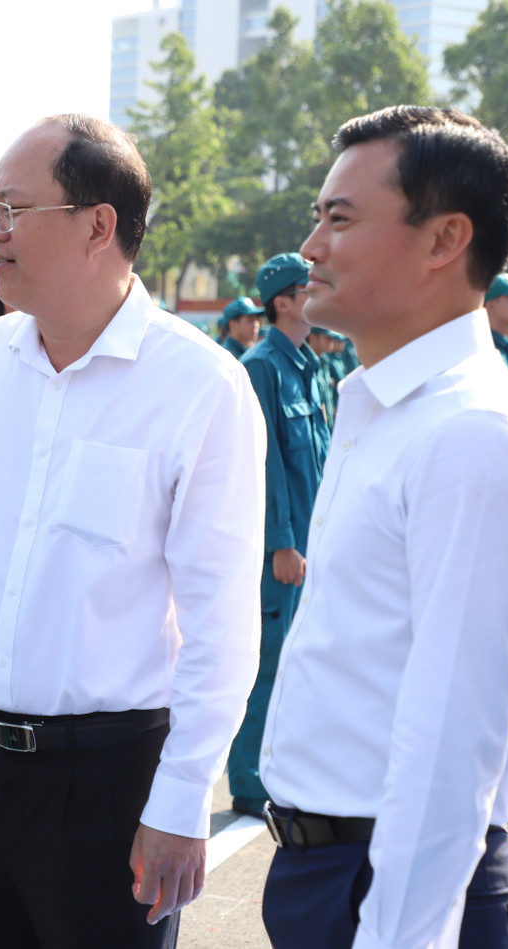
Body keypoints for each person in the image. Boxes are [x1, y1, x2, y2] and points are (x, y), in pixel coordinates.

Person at [0, 113, 264, 947]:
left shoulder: (200, 386)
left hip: (111, 783)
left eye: (12, 210)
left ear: (98, 225)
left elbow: (222, 622)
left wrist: (182, 797)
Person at [259, 105, 508, 949]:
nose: (311, 247)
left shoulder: (471, 437)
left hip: (400, 892)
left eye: (339, 218)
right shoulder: (385, 406)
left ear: (443, 240)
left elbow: (448, 748)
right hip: (333, 871)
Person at [225, 252, 329, 819]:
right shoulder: (262, 365)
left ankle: (277, 764)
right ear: (282, 302)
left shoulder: (305, 363)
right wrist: (281, 542)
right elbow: (264, 467)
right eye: (305, 288)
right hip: (281, 551)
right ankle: (248, 778)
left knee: (297, 663)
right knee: (267, 663)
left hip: (309, 543)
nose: (317, 294)